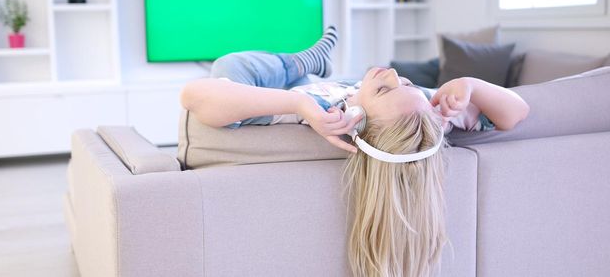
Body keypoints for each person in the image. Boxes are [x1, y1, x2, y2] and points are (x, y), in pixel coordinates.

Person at [180, 26, 530, 277]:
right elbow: (517, 111)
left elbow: (193, 96)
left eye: (385, 88)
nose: (394, 73)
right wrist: (470, 85)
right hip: (348, 88)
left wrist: (298, 102)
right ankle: (311, 63)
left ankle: (299, 63)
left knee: (229, 67)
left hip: (301, 87)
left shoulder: (322, 110)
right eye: (407, 83)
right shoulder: (429, 116)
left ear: (357, 120)